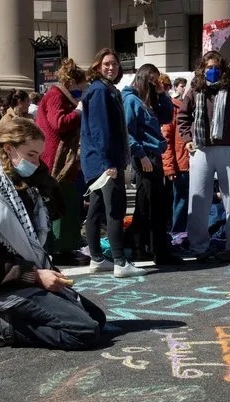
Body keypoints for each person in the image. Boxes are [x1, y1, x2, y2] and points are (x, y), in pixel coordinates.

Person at [0, 118, 106, 350]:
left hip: (28, 278)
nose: (36, 163)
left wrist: (41, 176)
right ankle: (2, 327)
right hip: (3, 286)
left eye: (39, 156)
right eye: (31, 155)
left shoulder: (22, 184)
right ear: (8, 148)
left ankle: (24, 318)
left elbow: (57, 208)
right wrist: (35, 276)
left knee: (97, 318)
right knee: (85, 332)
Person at [177, 50, 230, 263]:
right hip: (201, 149)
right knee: (199, 200)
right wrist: (187, 140)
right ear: (202, 69)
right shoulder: (195, 89)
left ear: (223, 70)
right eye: (209, 67)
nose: (213, 71)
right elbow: (183, 116)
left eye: (216, 68)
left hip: (229, 149)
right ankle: (198, 246)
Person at [81, 47, 146, 278]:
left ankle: (97, 258)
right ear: (98, 66)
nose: (111, 67)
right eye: (107, 63)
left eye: (115, 64)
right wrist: (109, 162)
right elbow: (101, 130)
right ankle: (120, 261)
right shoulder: (100, 91)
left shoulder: (101, 89)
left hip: (96, 161)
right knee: (115, 210)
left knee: (96, 210)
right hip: (104, 161)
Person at [122, 63, 182, 264]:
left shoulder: (147, 99)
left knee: (151, 203)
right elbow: (128, 132)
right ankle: (154, 249)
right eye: (154, 79)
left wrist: (162, 93)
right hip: (145, 155)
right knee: (151, 204)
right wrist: (141, 155)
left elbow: (166, 116)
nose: (156, 82)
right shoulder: (131, 100)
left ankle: (145, 247)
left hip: (153, 154)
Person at [35, 58, 90, 266]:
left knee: (67, 202)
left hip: (62, 159)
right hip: (55, 160)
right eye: (80, 86)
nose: (81, 90)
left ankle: (64, 247)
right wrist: (77, 112)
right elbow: (58, 124)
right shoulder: (55, 96)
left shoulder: (60, 96)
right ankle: (60, 249)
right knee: (61, 202)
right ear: (72, 83)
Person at [162, 81, 191, 234]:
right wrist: (169, 167)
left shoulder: (196, 107)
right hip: (182, 164)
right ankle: (178, 235)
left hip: (195, 163)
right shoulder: (173, 108)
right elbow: (166, 139)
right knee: (181, 200)